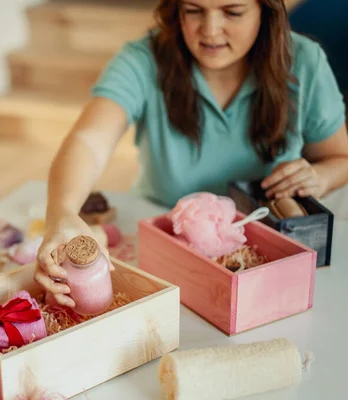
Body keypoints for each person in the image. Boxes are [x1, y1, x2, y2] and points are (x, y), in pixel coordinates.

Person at [34, 0, 348, 307]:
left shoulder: (306, 61)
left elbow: (340, 158)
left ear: (265, 11)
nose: (210, 31)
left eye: (232, 12)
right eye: (194, 11)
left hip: (264, 253)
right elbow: (89, 141)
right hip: (159, 236)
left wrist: (319, 177)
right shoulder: (143, 59)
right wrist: (61, 212)